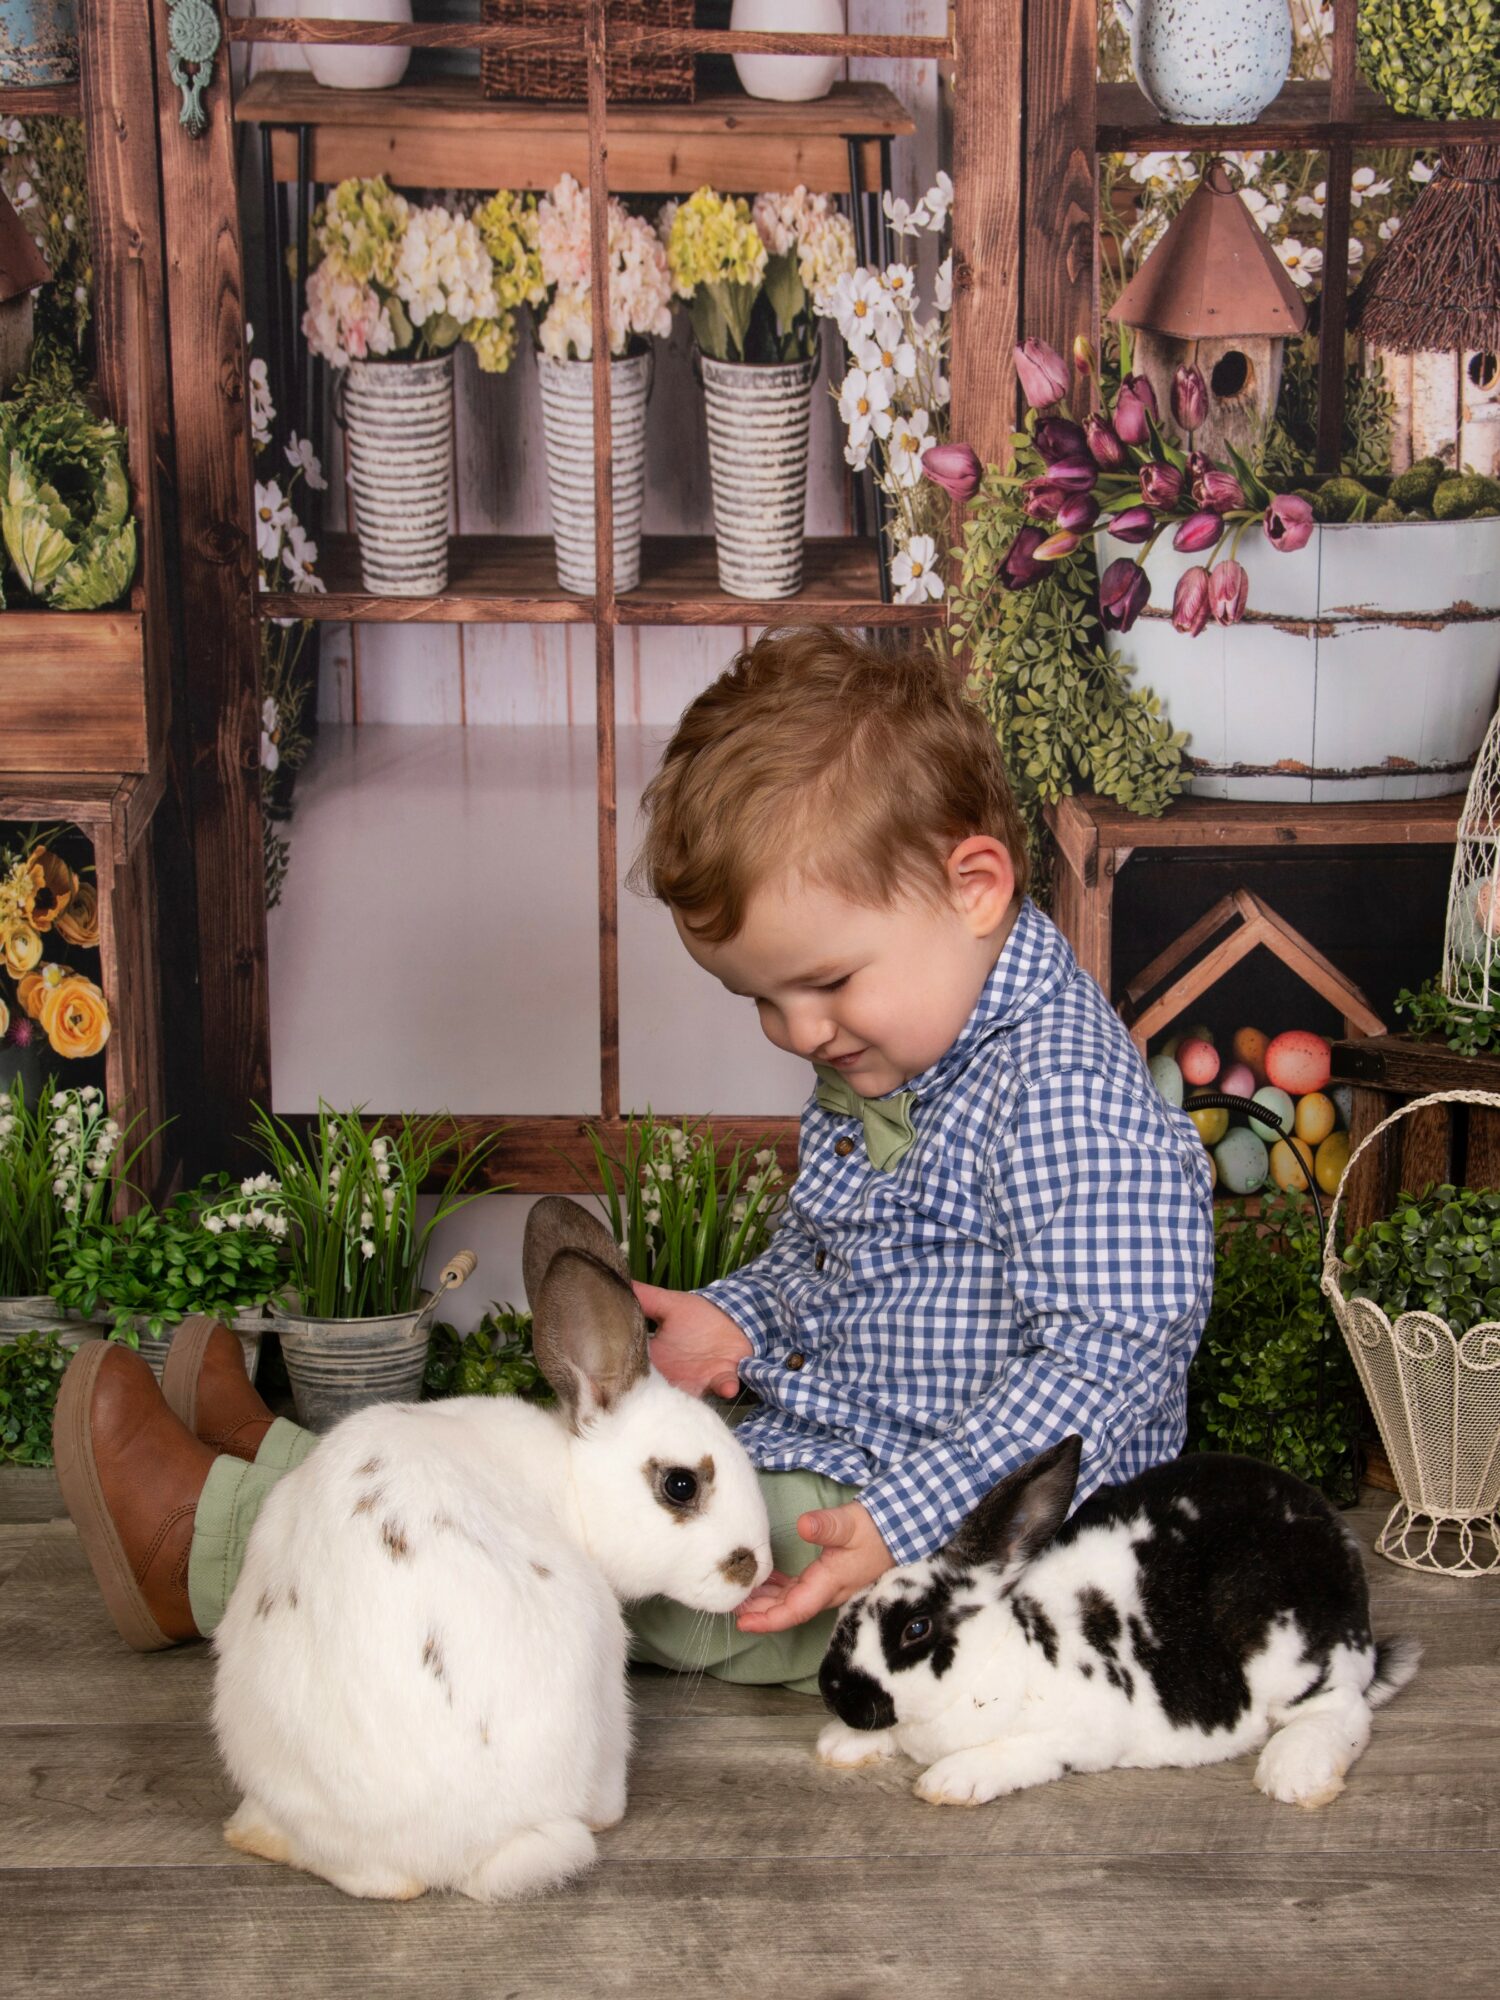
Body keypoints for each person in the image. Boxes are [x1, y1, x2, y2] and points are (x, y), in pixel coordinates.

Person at [54, 626, 1215, 1694]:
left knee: (581, 1551)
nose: (802, 1030)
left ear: (974, 888)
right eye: (762, 999)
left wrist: (906, 1520)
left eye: (826, 983)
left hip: (946, 1558)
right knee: (573, 1467)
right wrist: (741, 1316)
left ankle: (207, 1550)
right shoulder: (904, 1043)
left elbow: (1108, 1362)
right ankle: (310, 1469)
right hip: (840, 1442)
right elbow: (832, 1256)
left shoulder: (1065, 1093)